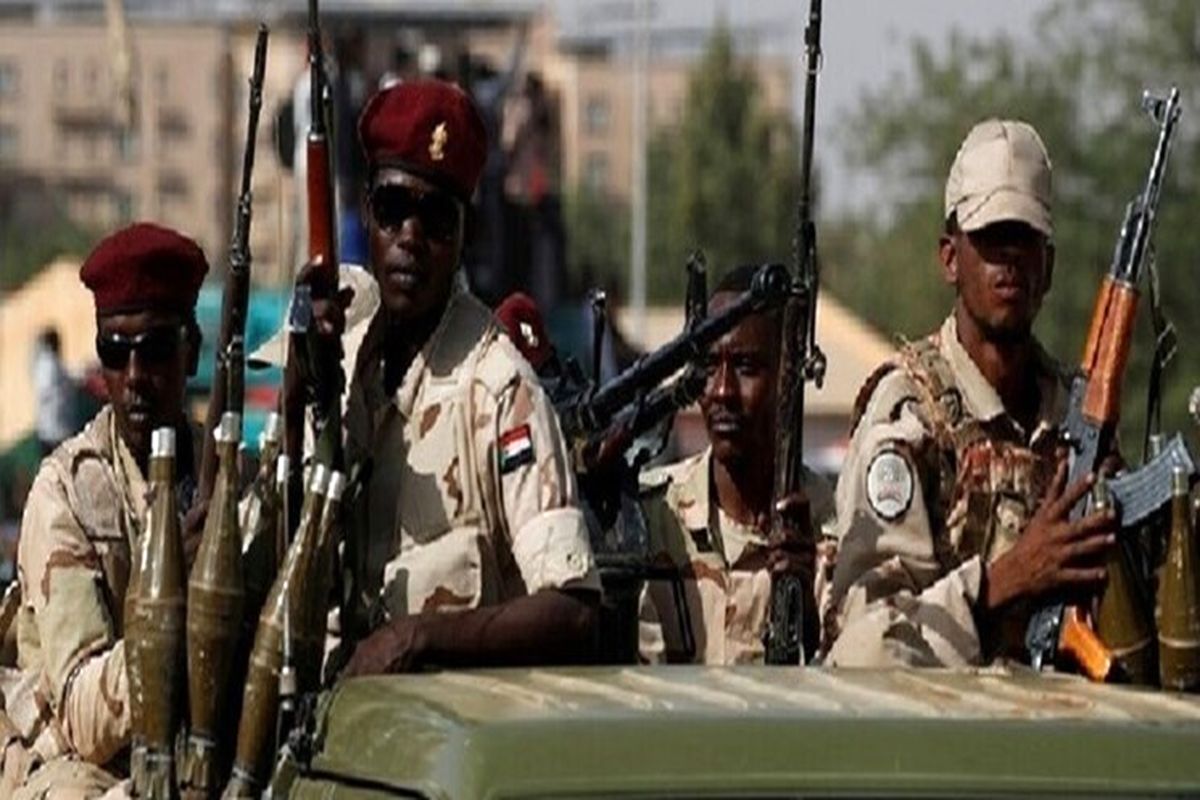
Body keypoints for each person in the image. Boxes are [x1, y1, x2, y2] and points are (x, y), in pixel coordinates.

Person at [295, 79, 600, 677]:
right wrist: (295, 397)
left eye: (436, 219)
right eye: (393, 210)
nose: (410, 238)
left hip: (458, 726)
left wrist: (418, 639)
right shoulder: (339, 364)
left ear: (465, 237)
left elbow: (573, 611)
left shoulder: (498, 388)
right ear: (366, 213)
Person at [825, 120, 1118, 668]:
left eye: (1024, 239)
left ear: (1049, 265)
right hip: (944, 722)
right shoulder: (908, 415)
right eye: (989, 238)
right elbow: (864, 650)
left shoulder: (1077, 420)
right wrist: (1001, 583)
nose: (1009, 259)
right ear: (950, 258)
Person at [9, 223, 207, 797]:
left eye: (156, 349)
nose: (135, 377)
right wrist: (174, 589)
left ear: (192, 350)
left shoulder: (234, 481)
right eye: (115, 353)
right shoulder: (67, 491)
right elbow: (84, 718)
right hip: (87, 767)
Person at [637, 265, 835, 664]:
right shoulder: (652, 519)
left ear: (788, 376)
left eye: (746, 367)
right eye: (710, 367)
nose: (723, 391)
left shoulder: (832, 529)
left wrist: (807, 615)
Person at [31, 327, 77, 457]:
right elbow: (47, 390)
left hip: (49, 431)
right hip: (56, 432)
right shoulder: (49, 365)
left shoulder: (44, 364)